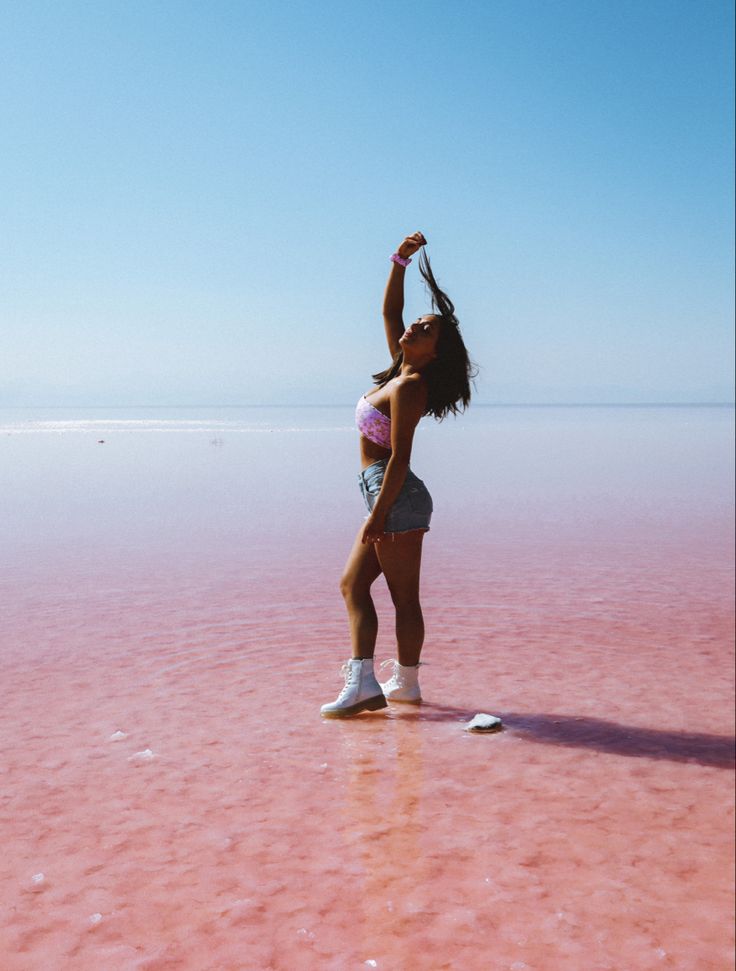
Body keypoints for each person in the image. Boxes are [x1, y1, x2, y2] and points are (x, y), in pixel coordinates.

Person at [321, 232, 477, 717]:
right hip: (384, 493)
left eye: (425, 331)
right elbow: (390, 313)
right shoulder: (397, 369)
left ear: (436, 351)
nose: (413, 329)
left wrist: (378, 514)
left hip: (395, 494)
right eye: (418, 324)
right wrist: (399, 261)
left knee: (401, 596)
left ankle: (393, 684)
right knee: (354, 586)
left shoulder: (410, 386)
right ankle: (376, 683)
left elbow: (400, 458)